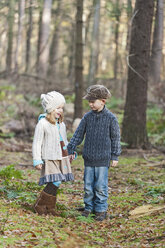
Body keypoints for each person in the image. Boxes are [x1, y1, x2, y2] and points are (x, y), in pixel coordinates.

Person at [68, 85, 121, 221]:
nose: (90, 104)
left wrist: (115, 155)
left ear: (103, 101)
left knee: (100, 186)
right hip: (89, 158)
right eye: (89, 102)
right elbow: (78, 134)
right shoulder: (87, 117)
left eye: (93, 101)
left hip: (103, 159)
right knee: (88, 185)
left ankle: (101, 210)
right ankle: (88, 207)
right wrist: (71, 148)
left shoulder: (111, 118)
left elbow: (115, 138)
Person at [32, 91, 74, 215]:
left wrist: (70, 153)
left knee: (57, 181)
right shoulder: (42, 123)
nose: (60, 110)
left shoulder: (61, 124)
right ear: (50, 108)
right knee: (55, 181)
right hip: (49, 156)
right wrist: (37, 159)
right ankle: (39, 205)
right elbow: (37, 142)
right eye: (57, 107)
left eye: (62, 108)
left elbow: (64, 140)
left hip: (61, 156)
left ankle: (50, 208)